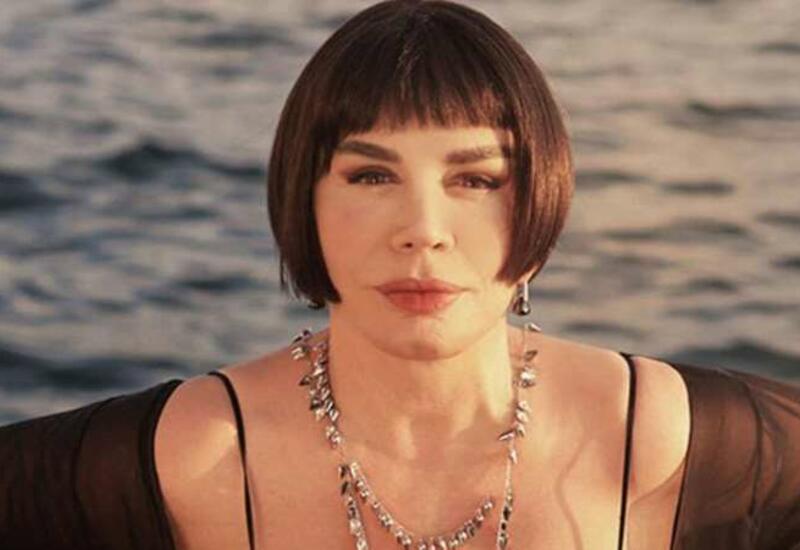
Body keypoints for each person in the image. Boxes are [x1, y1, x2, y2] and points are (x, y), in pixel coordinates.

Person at [1, 1, 799, 549]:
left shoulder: (667, 444)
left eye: (475, 179)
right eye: (371, 176)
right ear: (304, 198)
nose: (422, 229)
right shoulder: (189, 457)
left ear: (542, 195)